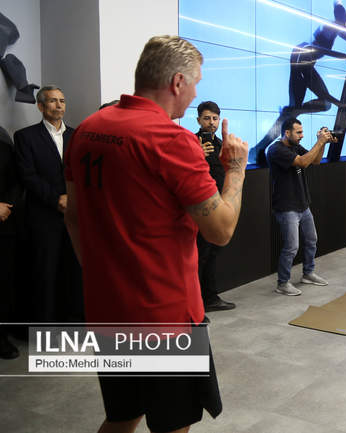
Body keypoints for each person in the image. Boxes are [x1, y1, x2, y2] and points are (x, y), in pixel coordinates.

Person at [64, 35, 249, 433]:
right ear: (178, 82)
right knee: (172, 424)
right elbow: (221, 230)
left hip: (107, 310)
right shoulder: (171, 140)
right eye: (195, 83)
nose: (195, 94)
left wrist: (101, 276)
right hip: (166, 319)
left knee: (123, 415)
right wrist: (235, 172)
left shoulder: (87, 130)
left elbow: (74, 217)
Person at [249, 0, 346, 163]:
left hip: (306, 63)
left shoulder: (333, 28)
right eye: (345, 19)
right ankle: (258, 149)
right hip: (300, 61)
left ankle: (282, 123)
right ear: (341, 18)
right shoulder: (332, 27)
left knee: (318, 105)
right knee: (298, 110)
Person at [14, 85, 84, 323]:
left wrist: (72, 199)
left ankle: (73, 324)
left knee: (73, 272)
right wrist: (57, 199)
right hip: (43, 216)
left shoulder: (77, 135)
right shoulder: (25, 136)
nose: (59, 105)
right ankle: (46, 328)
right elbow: (28, 176)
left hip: (73, 216)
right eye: (53, 101)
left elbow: (82, 173)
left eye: (62, 100)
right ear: (40, 106)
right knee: (45, 274)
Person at [267, 118, 332, 296]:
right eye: (299, 132)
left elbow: (315, 161)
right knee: (291, 247)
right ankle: (282, 283)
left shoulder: (295, 146)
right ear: (287, 133)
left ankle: (308, 273)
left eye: (302, 132)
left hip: (303, 204)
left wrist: (322, 143)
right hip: (287, 207)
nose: (302, 135)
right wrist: (319, 142)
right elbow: (303, 162)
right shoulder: (276, 149)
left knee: (311, 240)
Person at [195, 101, 236, 311]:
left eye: (214, 118)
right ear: (198, 120)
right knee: (199, 256)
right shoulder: (190, 143)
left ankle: (209, 298)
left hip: (219, 207)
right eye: (207, 118)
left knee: (212, 254)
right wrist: (195, 155)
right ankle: (195, 304)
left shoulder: (222, 144)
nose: (211, 122)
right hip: (200, 210)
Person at [0, 126, 19, 359]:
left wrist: (6, 206)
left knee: (3, 283)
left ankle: (1, 337)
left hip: (4, 224)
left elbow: (16, 181)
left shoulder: (3, 140)